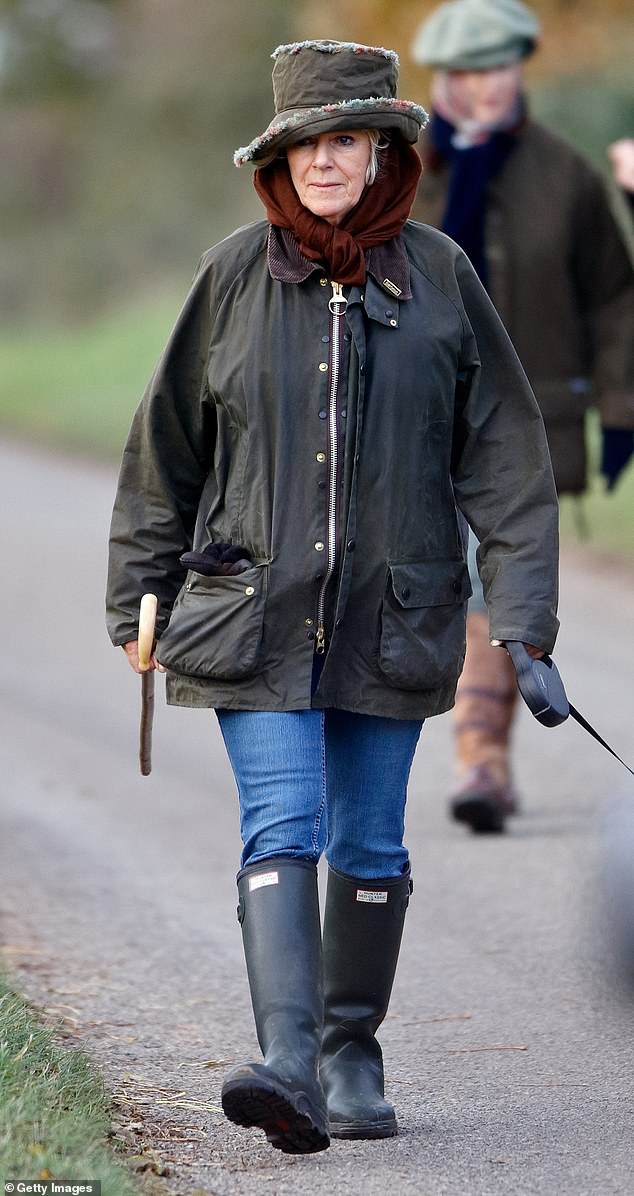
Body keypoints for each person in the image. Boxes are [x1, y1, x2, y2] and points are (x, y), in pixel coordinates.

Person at [106, 39, 559, 1155]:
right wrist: (135, 600)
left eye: (345, 139)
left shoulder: (442, 277)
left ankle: (353, 1048)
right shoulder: (229, 278)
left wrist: (524, 620)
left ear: (382, 153)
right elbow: (165, 448)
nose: (324, 159)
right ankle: (292, 1061)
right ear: (280, 156)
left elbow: (505, 458)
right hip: (250, 612)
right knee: (283, 823)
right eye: (305, 141)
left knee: (368, 843)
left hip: (394, 616)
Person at [410, 0, 634, 834]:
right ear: (442, 79)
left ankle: (481, 760)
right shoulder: (391, 168)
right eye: (468, 72)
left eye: (499, 67)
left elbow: (614, 299)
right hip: (411, 417)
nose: (486, 85)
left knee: (488, 580)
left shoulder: (565, 176)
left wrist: (619, 408)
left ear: (519, 69)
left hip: (522, 420)